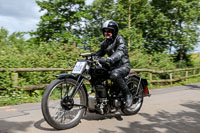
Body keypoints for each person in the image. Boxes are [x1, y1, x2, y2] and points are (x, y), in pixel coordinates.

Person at [96, 20, 133, 108]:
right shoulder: (105, 43)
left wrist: (110, 59)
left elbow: (120, 52)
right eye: (105, 31)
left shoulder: (120, 39)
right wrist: (90, 57)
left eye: (109, 31)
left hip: (123, 66)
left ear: (114, 31)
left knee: (114, 74)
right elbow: (99, 53)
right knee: (96, 71)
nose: (106, 33)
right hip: (112, 66)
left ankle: (128, 94)